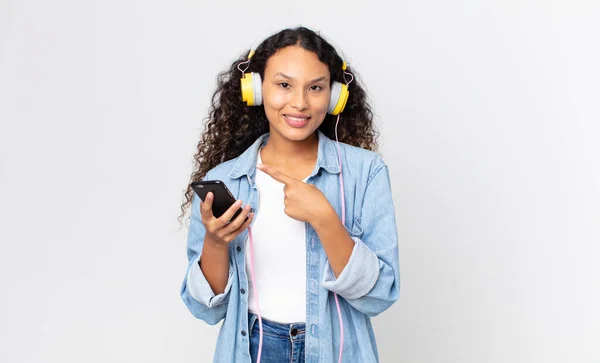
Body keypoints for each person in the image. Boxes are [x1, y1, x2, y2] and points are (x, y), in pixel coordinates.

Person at [179, 26, 400, 363]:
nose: (299, 102)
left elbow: (380, 295)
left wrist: (325, 219)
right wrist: (216, 242)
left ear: (335, 95)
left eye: (315, 87)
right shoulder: (224, 181)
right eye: (284, 85)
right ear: (255, 89)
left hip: (332, 349)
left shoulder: (365, 173)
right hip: (252, 349)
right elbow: (205, 309)